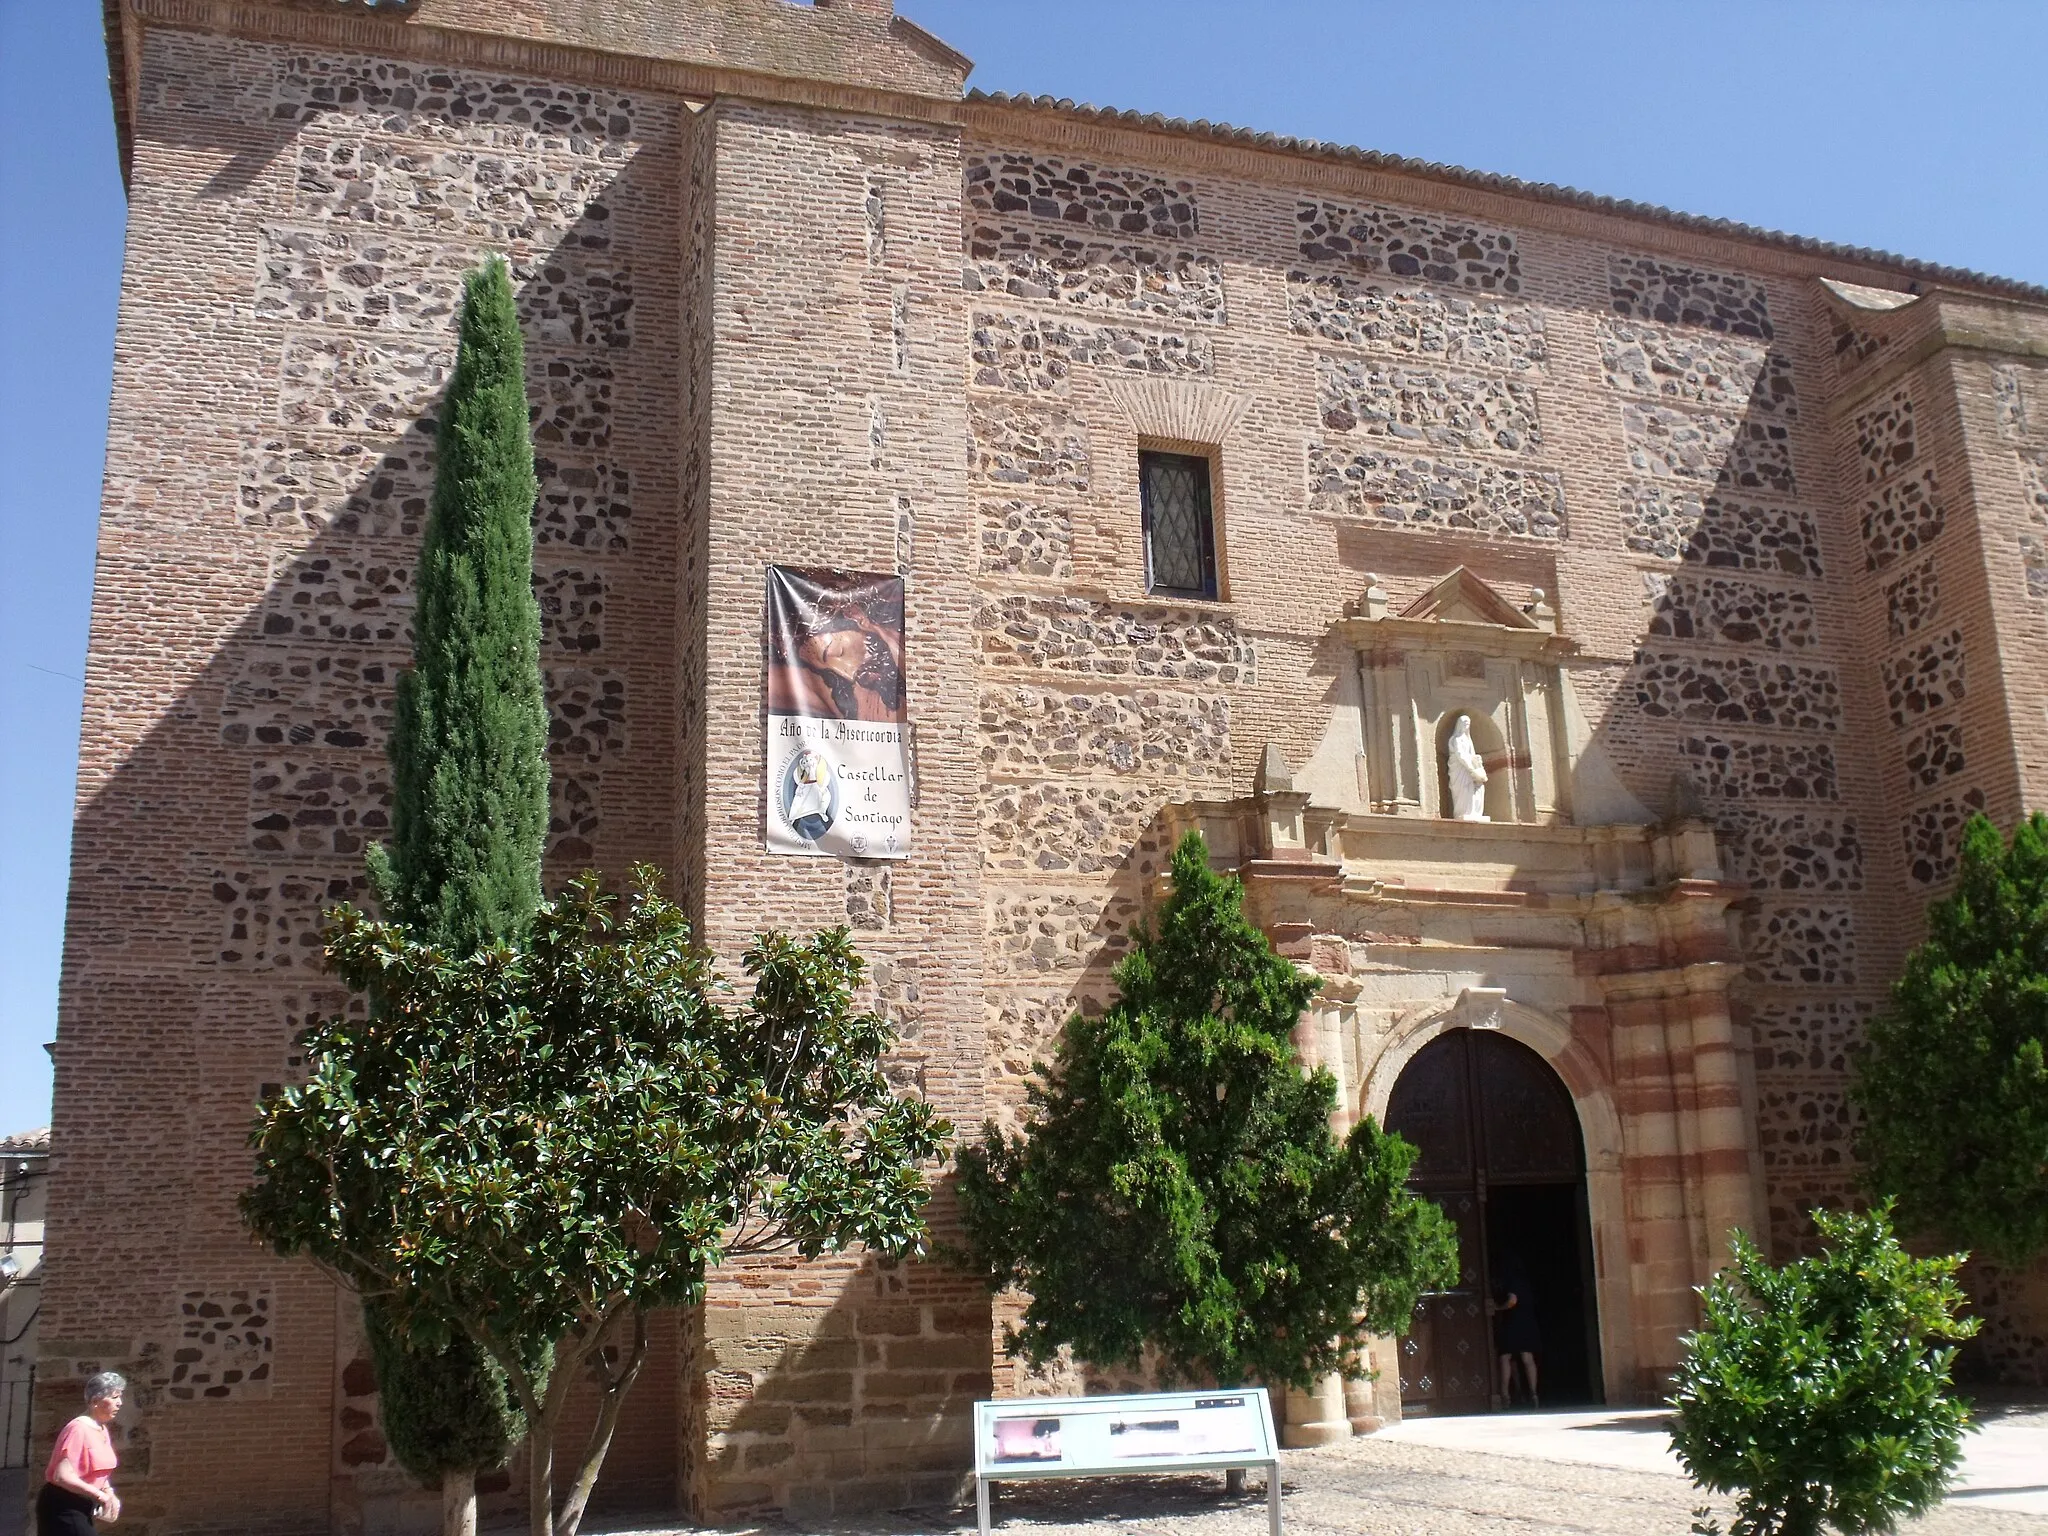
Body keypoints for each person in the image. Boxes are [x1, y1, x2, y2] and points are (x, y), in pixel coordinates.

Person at [40, 1371, 124, 1532]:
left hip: (82, 1503)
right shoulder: (78, 1429)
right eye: (114, 1398)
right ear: (95, 1401)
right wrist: (101, 1496)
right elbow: (62, 1476)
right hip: (63, 1504)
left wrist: (109, 1492)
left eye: (120, 1397)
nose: (119, 1403)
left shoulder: (101, 1428)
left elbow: (98, 1469)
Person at [1488, 1254, 1540, 1409]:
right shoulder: (1525, 1281)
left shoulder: (1511, 1280)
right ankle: (1534, 1394)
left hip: (1513, 1322)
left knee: (1505, 1357)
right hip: (1528, 1321)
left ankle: (1505, 1396)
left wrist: (1498, 1308)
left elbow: (1512, 1300)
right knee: (1527, 1357)